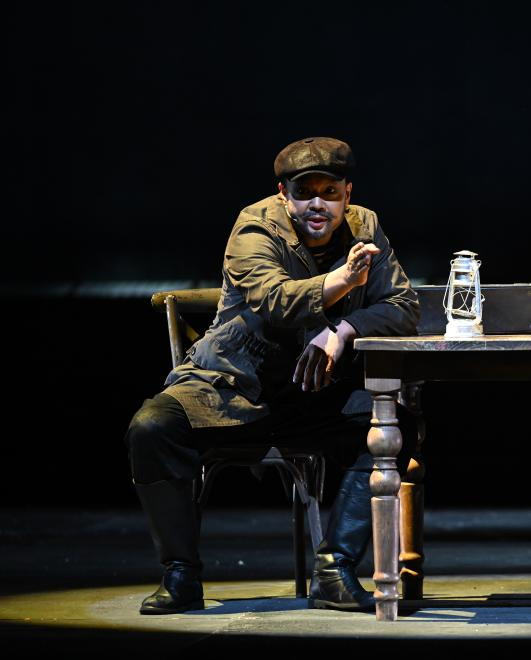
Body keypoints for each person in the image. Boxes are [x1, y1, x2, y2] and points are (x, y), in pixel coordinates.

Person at [125, 136, 420, 615]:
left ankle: (335, 570)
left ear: (347, 194)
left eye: (330, 192)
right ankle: (180, 575)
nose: (318, 204)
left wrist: (343, 330)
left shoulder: (365, 226)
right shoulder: (255, 226)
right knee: (152, 427)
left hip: (315, 393)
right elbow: (277, 300)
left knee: (393, 427)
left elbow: (403, 306)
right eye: (305, 193)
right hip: (233, 387)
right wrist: (344, 280)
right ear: (284, 195)